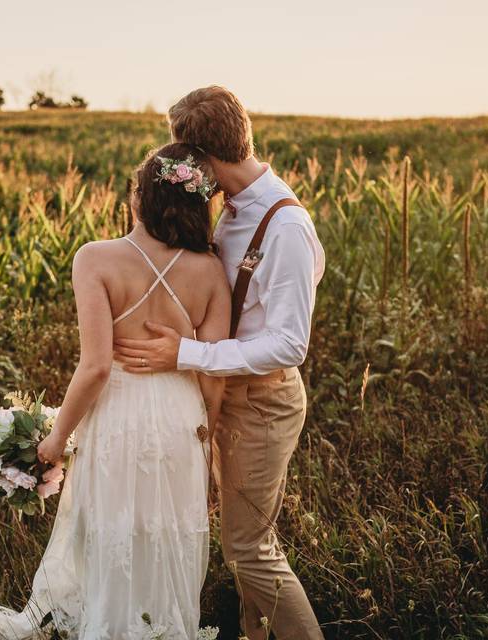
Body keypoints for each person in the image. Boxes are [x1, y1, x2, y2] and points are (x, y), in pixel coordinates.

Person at [0, 143, 230, 639]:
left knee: (111, 524)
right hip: (179, 413)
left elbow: (97, 367)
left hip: (119, 411)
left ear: (138, 200)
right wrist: (207, 433)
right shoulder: (211, 270)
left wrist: (55, 438)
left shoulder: (96, 259)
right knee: (165, 526)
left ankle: (109, 623)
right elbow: (213, 370)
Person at [114, 86, 326, 640]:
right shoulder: (229, 211)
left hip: (263, 401)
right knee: (242, 546)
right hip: (228, 395)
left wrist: (186, 354)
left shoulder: (286, 227)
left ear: (203, 159)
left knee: (249, 550)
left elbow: (289, 343)